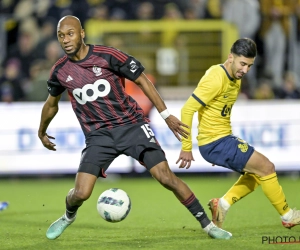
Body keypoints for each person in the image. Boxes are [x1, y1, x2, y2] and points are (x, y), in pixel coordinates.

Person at [38, 15, 232, 240]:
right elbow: (51, 105)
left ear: (82, 33)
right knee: (81, 193)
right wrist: (42, 131)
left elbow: (142, 80)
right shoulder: (60, 71)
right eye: (61, 36)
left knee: (166, 177)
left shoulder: (108, 55)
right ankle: (68, 216)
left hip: (131, 126)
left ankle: (208, 226)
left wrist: (166, 115)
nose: (66, 40)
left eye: (70, 33)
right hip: (98, 136)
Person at [176, 38, 300, 231]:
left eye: (250, 66)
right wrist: (187, 147)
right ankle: (287, 216)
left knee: (258, 173)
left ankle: (222, 205)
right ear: (230, 57)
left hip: (220, 140)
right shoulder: (216, 77)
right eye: (242, 64)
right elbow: (187, 109)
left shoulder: (235, 77)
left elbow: (219, 112)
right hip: (215, 141)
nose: (245, 70)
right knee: (267, 167)